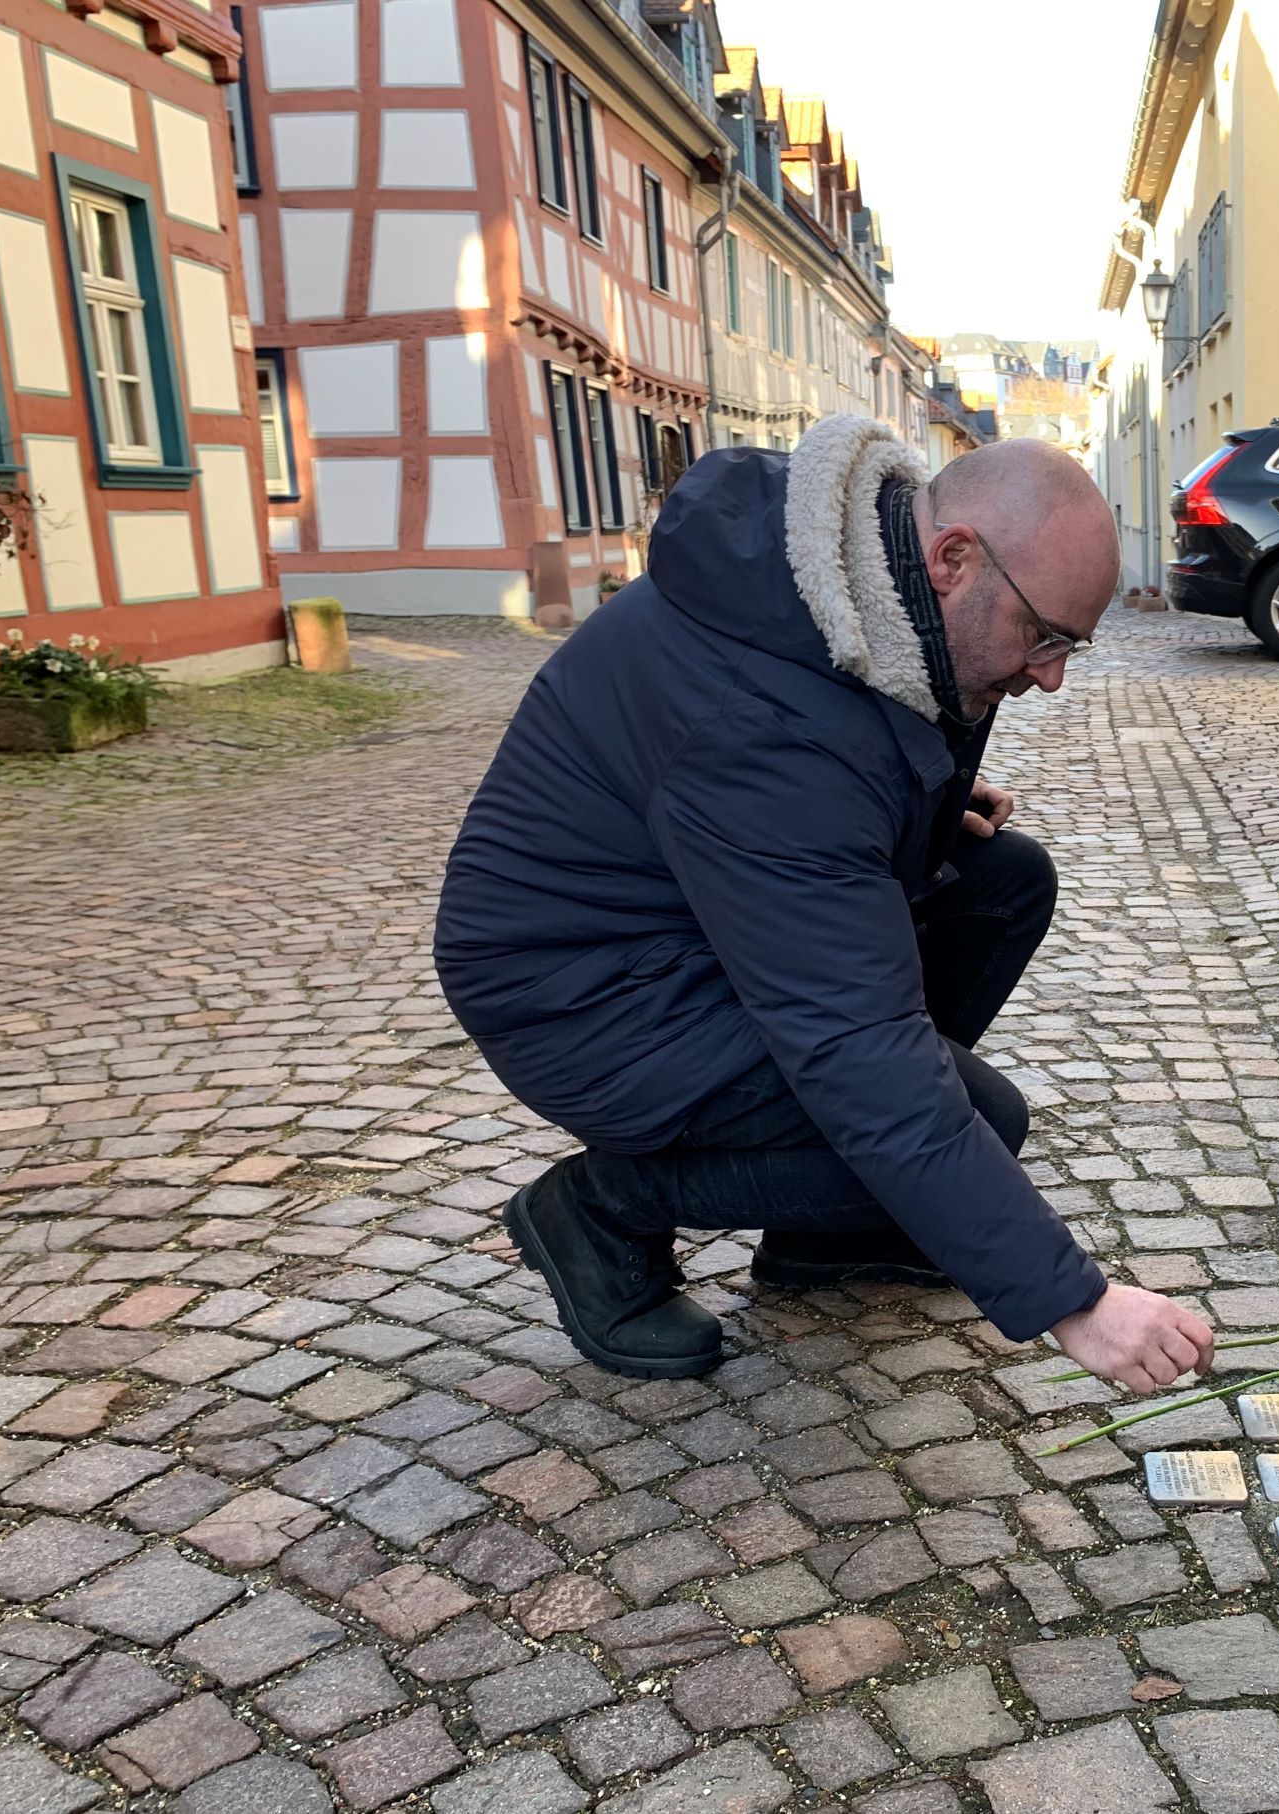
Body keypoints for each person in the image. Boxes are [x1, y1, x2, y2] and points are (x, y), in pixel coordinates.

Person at [434, 416, 1215, 1397]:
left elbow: (841, 774)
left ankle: (819, 1233)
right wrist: (1074, 1303)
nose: (1051, 674)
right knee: (979, 1115)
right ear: (952, 559)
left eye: (1073, 646)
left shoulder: (854, 590)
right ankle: (600, 1209)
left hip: (677, 927)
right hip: (581, 990)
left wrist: (919, 806)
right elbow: (857, 1048)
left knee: (1003, 882)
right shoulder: (762, 724)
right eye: (1044, 635)